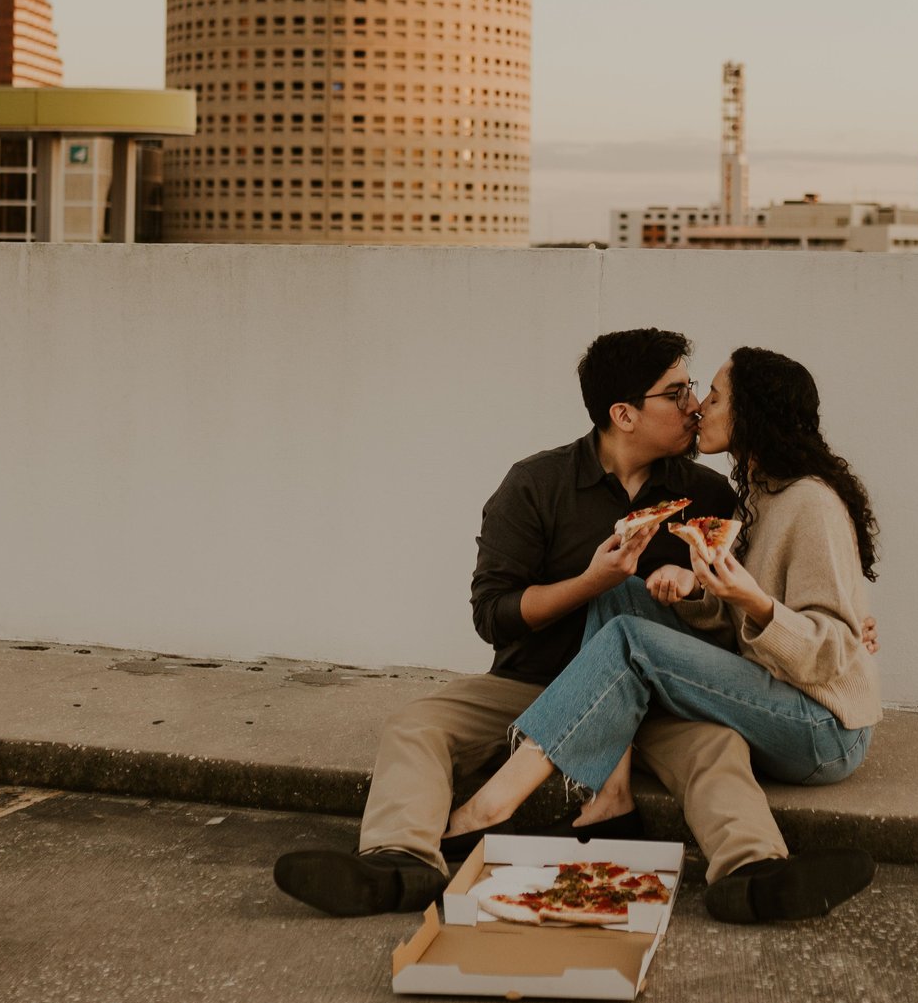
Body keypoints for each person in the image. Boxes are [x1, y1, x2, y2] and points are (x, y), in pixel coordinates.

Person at [275, 329, 860, 923]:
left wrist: (837, 621)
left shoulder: (711, 495)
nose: (693, 406)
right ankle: (398, 863)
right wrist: (589, 582)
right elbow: (492, 615)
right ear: (624, 414)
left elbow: (756, 597)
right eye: (677, 393)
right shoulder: (536, 485)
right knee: (416, 724)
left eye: (698, 391)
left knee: (717, 745)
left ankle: (752, 873)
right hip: (540, 685)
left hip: (659, 696)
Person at [440, 346, 881, 924]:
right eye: (691, 394)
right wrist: (697, 590)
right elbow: (736, 627)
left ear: (750, 414)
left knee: (631, 638)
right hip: (775, 697)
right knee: (620, 593)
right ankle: (612, 799)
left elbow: (835, 651)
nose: (699, 406)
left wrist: (753, 600)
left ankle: (488, 809)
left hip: (825, 727)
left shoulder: (809, 502)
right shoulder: (758, 496)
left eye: (714, 396)